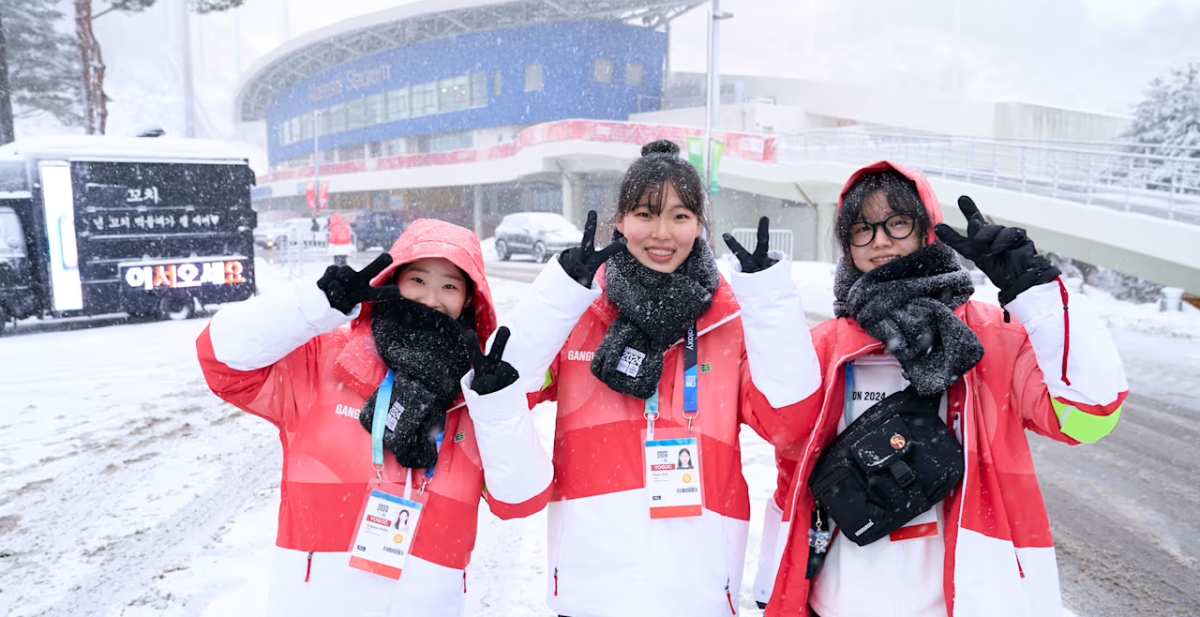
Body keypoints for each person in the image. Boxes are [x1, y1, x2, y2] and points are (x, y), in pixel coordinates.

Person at [460, 139, 822, 616]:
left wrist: (770, 301)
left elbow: (788, 422)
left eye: (680, 216)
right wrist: (557, 296)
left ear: (699, 225)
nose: (662, 233)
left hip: (699, 587)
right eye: (646, 214)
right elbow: (510, 386)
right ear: (621, 221)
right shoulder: (579, 311)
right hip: (590, 583)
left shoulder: (730, 319)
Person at [760, 161, 1128, 617]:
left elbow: (1090, 415)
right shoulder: (826, 348)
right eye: (862, 228)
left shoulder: (995, 339)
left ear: (926, 228)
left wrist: (1037, 293)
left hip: (962, 599)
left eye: (897, 222)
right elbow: (788, 462)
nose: (880, 240)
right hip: (838, 601)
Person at [196, 219, 534, 617]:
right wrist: (314, 305)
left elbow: (519, 501)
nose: (430, 298)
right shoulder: (324, 359)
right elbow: (220, 360)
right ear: (391, 280)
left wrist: (498, 406)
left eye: (449, 286)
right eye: (417, 279)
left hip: (429, 605)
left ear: (470, 301)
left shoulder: (475, 389)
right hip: (319, 604)